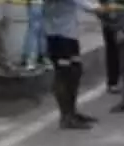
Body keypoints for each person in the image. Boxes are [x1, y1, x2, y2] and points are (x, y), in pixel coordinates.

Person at [43, 0, 103, 129]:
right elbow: (89, 6)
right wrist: (103, 9)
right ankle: (66, 117)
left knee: (75, 71)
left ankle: (72, 112)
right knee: (64, 74)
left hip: (68, 36)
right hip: (59, 38)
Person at [21, 0, 48, 71]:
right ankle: (37, 57)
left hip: (36, 3)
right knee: (39, 30)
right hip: (42, 3)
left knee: (34, 30)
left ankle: (29, 57)